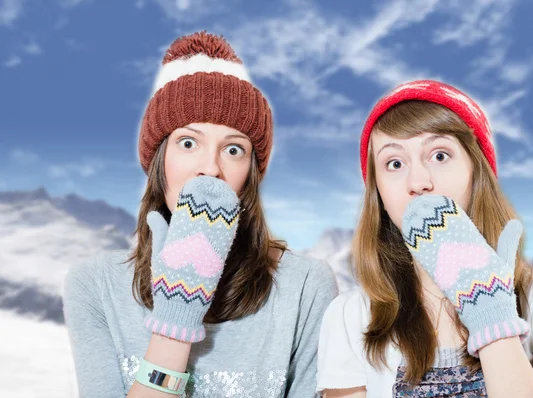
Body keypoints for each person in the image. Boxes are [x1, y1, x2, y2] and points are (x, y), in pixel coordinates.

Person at [63, 31, 338, 398]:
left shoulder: (306, 286)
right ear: (159, 161)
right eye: (188, 143)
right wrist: (176, 318)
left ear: (252, 174)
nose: (210, 168)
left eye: (234, 149)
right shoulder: (95, 285)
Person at [316, 80, 533, 397]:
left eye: (439, 155)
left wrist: (491, 317)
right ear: (378, 192)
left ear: (476, 171)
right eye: (394, 163)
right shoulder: (350, 317)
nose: (418, 182)